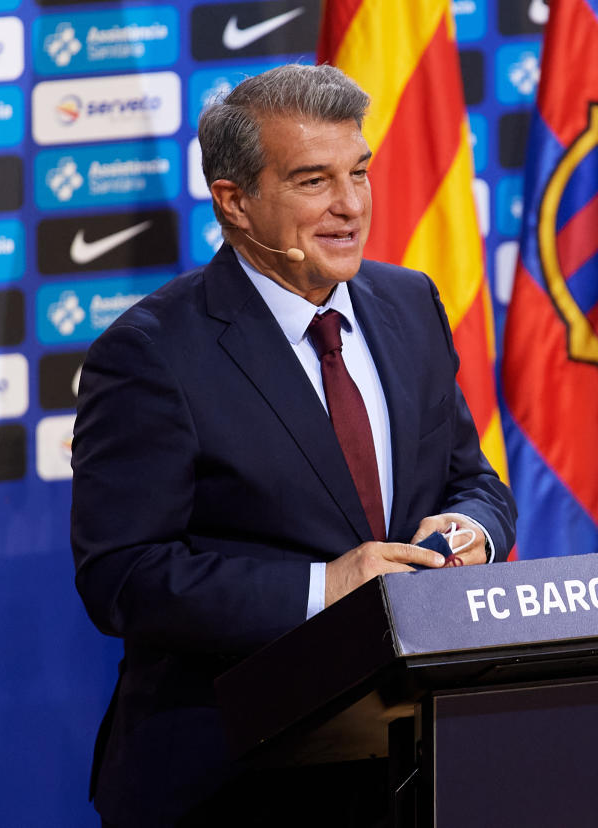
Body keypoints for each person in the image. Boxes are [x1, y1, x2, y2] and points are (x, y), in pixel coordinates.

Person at [70, 63, 516, 827]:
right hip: (232, 777)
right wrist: (327, 589)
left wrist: (472, 530)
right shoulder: (150, 354)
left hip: (415, 763)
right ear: (235, 202)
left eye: (360, 172)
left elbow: (470, 478)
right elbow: (123, 577)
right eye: (314, 181)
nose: (350, 207)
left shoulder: (410, 302)